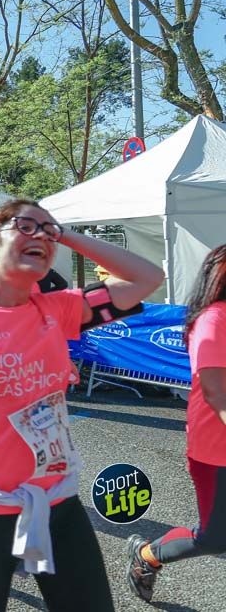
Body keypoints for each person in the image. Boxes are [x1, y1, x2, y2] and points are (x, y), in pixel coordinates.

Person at [0, 199, 163, 611]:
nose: (42, 237)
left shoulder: (59, 308)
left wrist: (63, 233)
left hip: (57, 503)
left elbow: (149, 276)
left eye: (48, 232)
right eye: (26, 226)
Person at [125, 244, 226, 603]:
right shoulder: (213, 319)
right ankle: (146, 557)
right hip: (216, 450)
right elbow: (215, 390)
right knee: (214, 538)